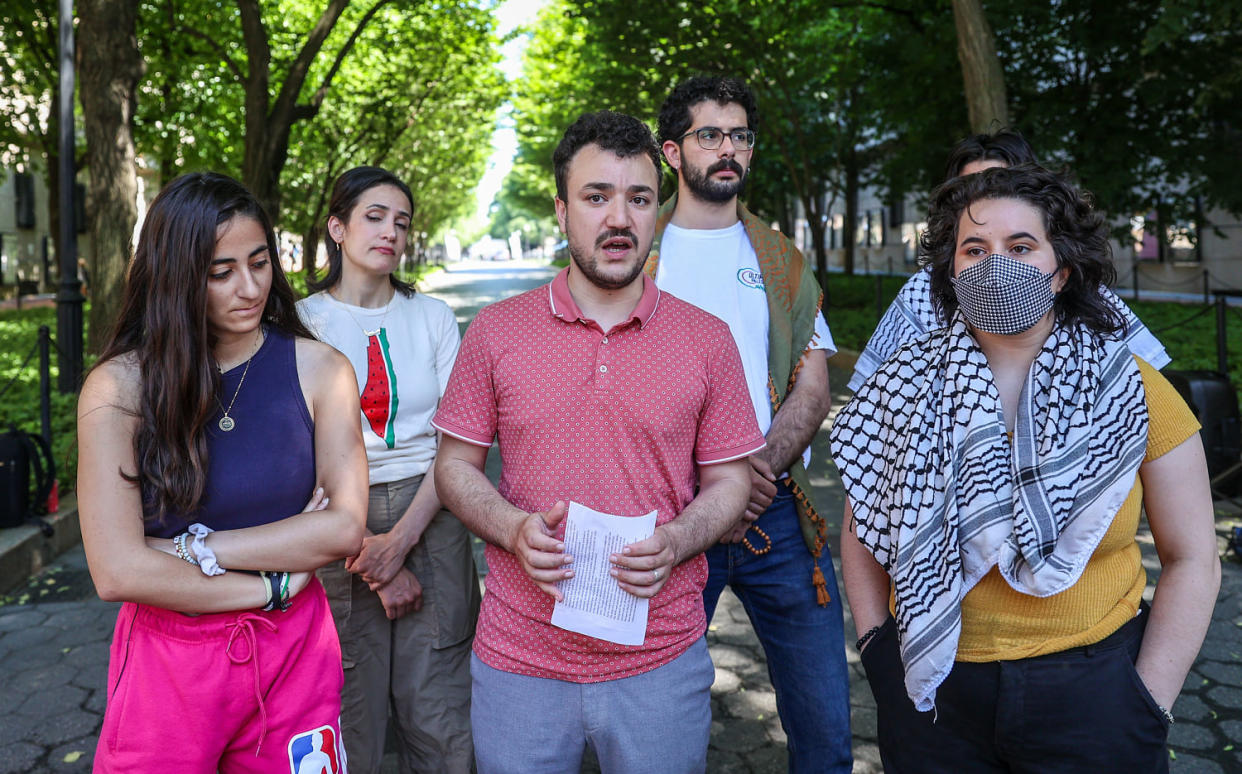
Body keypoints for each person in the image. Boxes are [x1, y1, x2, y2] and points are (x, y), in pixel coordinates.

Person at [830, 165, 1221, 772]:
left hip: (1095, 694)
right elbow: (861, 530)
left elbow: (1194, 556)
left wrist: (1148, 701)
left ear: (1060, 269)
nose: (995, 265)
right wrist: (879, 648)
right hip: (935, 691)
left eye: (1020, 247)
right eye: (974, 249)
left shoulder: (1133, 390)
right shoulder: (897, 388)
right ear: (952, 270)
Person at [432, 110, 765, 773]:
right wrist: (509, 527)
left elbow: (732, 481)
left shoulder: (708, 338)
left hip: (661, 656)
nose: (620, 218)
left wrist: (676, 541)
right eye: (596, 197)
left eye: (639, 198)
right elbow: (454, 467)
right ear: (561, 211)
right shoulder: (495, 332)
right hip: (519, 658)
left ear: (656, 211)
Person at [77, 172, 368, 772]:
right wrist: (272, 582)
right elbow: (118, 571)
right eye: (221, 272)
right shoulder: (118, 389)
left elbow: (343, 529)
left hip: (294, 652)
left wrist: (191, 548)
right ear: (176, 278)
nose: (250, 286)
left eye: (260, 262)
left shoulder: (322, 370)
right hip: (171, 663)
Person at [648, 75, 851, 773]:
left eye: (740, 135)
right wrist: (713, 497)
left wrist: (750, 477)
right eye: (710, 135)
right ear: (673, 152)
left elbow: (813, 386)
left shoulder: (781, 260)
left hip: (778, 518)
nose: (728, 148)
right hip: (666, 522)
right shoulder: (634, 254)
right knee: (654, 723)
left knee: (825, 726)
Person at [298, 166, 481, 773]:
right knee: (350, 702)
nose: (390, 232)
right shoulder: (298, 326)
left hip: (431, 510)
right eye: (374, 217)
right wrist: (375, 565)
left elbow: (456, 443)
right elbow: (297, 455)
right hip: (331, 519)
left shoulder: (432, 316)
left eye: (400, 222)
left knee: (438, 702)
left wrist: (400, 543)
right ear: (337, 227)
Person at [847, 129, 1168, 391]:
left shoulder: (1083, 291)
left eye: (1020, 248)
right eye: (970, 189)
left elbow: (1150, 387)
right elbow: (874, 394)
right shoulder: (922, 292)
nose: (988, 202)